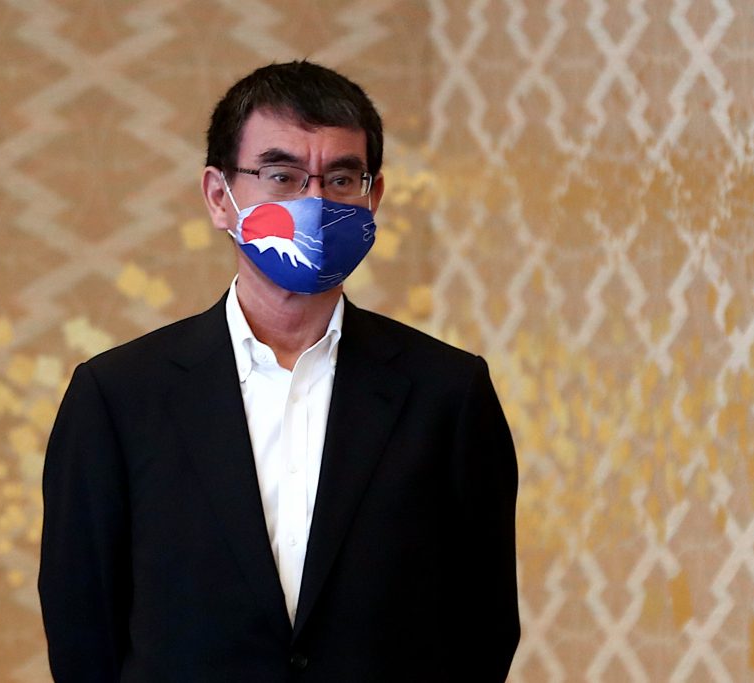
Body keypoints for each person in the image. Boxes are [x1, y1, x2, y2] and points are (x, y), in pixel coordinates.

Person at [39, 60, 519, 682]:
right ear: (220, 196)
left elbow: (482, 627)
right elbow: (83, 633)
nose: (315, 202)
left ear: (373, 197)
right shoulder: (117, 396)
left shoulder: (448, 394)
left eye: (342, 178)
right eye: (282, 175)